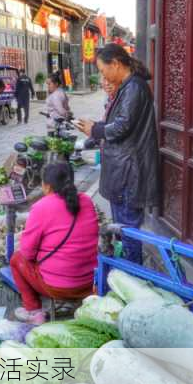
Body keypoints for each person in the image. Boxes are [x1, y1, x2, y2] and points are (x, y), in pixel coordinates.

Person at [77, 43, 161, 264]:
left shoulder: (134, 87)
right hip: (124, 168)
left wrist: (95, 129)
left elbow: (123, 126)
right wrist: (96, 129)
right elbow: (119, 123)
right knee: (122, 227)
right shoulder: (128, 87)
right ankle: (127, 267)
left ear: (115, 64)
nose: (103, 76)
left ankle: (133, 272)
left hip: (129, 171)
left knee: (127, 227)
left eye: (104, 71)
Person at [10, 162, 99, 325]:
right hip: (90, 283)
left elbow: (28, 252)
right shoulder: (86, 201)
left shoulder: (42, 207)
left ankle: (33, 310)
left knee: (16, 259)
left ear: (47, 186)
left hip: (58, 288)